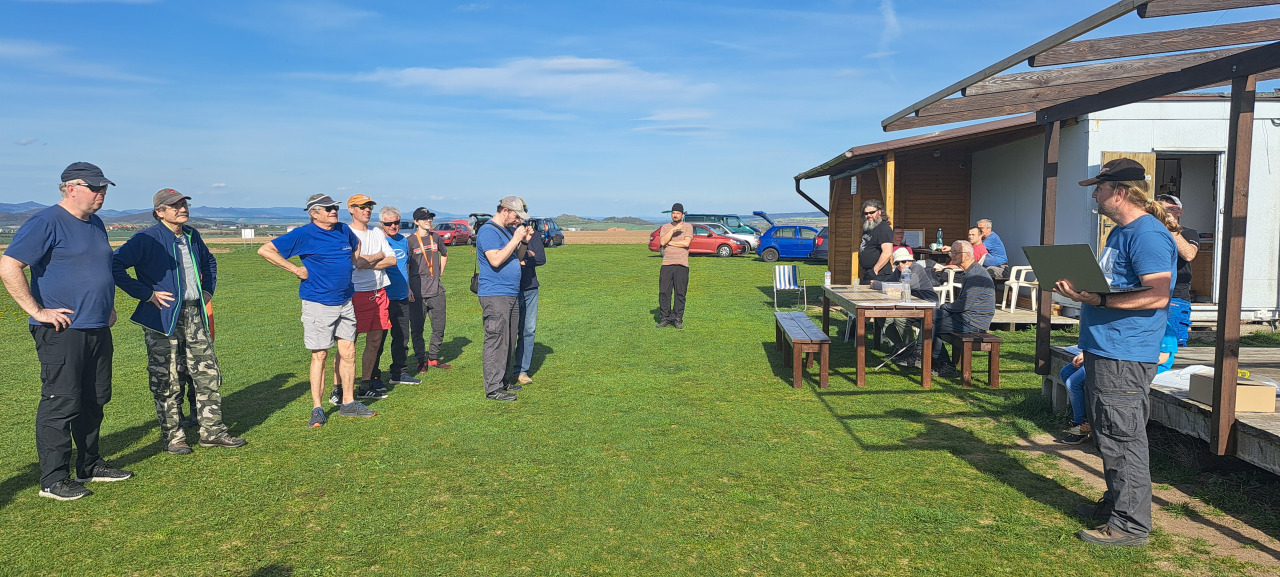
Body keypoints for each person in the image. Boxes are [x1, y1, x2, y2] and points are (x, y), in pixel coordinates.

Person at [1055, 157, 1176, 547]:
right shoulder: (1121, 233)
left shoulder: (1148, 234)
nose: (1095, 196)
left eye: (1100, 188)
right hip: (1105, 347)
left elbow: (1157, 295)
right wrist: (1081, 291)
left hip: (1125, 352)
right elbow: (1115, 285)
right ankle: (1115, 506)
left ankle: (1130, 526)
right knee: (1108, 433)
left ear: (1121, 192)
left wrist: (1098, 300)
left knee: (1122, 437)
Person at [0, 162, 133, 501]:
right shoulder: (46, 222)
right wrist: (37, 310)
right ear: (71, 188)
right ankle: (53, 479)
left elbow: (96, 269)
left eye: (104, 188)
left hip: (97, 326)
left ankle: (90, 465)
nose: (101, 193)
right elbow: (9, 265)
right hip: (63, 330)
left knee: (95, 398)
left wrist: (107, 306)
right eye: (95, 188)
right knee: (62, 401)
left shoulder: (96, 223)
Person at [111, 188, 245, 455]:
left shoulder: (192, 235)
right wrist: (146, 294)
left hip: (195, 314)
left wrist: (208, 291)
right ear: (160, 212)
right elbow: (115, 266)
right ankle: (175, 438)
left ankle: (212, 432)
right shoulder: (146, 238)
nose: (183, 209)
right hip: (162, 318)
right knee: (168, 378)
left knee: (207, 374)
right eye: (175, 205)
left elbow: (209, 262)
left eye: (184, 204)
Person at [258, 193, 376, 426]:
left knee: (349, 352)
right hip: (318, 303)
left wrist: (353, 260)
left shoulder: (343, 230)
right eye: (328, 208)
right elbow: (265, 250)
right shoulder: (303, 234)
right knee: (320, 355)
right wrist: (296, 270)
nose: (334, 211)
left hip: (345, 300)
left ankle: (348, 403)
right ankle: (317, 408)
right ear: (314, 213)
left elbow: (357, 245)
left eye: (335, 208)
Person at [477, 196, 535, 401]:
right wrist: (515, 238)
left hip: (511, 292)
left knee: (509, 340)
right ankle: (493, 388)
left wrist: (524, 241)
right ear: (505, 211)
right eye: (516, 216)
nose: (518, 221)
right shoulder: (488, 231)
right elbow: (495, 260)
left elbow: (515, 258)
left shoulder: (508, 230)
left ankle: (503, 381)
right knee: (496, 339)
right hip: (495, 294)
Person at [342, 194, 398, 401]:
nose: (367, 210)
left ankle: (365, 384)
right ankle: (339, 388)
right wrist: (378, 256)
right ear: (351, 209)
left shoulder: (376, 232)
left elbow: (392, 260)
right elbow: (354, 262)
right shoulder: (346, 233)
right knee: (348, 343)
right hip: (355, 292)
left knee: (375, 340)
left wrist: (367, 261)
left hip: (379, 292)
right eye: (362, 206)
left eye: (369, 207)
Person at [371, 206, 421, 387]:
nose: (393, 226)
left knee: (401, 338)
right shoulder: (377, 241)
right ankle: (373, 376)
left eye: (396, 222)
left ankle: (399, 373)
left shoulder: (403, 241)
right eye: (389, 223)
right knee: (378, 340)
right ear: (381, 224)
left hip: (402, 296)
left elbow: (405, 265)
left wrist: (408, 288)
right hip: (383, 297)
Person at [932, 240, 995, 376]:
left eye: (955, 253)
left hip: (974, 323)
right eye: (951, 252)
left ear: (967, 255)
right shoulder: (971, 271)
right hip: (966, 317)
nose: (952, 256)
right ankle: (930, 358)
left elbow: (963, 305)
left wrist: (944, 306)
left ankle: (943, 364)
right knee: (930, 317)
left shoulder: (975, 275)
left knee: (930, 325)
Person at [870, 248, 938, 366]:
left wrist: (877, 284)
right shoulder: (898, 271)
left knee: (900, 318)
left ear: (910, 261)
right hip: (909, 303)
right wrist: (883, 285)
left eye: (904, 261)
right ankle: (901, 347)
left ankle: (911, 350)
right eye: (897, 262)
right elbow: (889, 283)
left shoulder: (916, 269)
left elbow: (904, 286)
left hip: (927, 303)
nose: (901, 265)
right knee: (880, 315)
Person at [406, 207, 451, 372]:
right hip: (417, 292)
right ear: (416, 222)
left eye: (430, 218)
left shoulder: (436, 237)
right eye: (424, 218)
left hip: (436, 290)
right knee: (417, 329)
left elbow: (445, 254)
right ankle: (420, 360)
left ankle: (433, 358)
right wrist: (408, 288)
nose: (429, 221)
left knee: (439, 327)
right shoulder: (410, 241)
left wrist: (440, 272)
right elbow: (405, 266)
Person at [1156, 194, 1199, 345]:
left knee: (1175, 343)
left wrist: (1170, 226)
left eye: (1169, 209)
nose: (1164, 212)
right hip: (1151, 294)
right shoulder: (1152, 232)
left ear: (1179, 212)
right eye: (1161, 208)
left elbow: (1189, 254)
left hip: (1177, 296)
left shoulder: (1188, 233)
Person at [512, 221, 547, 385]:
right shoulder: (506, 233)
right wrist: (527, 254)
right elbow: (509, 258)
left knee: (528, 330)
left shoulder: (533, 235)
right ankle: (502, 371)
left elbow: (541, 258)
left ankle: (521, 371)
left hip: (530, 288)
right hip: (510, 289)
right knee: (509, 331)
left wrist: (524, 261)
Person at [656, 203, 693, 329]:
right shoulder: (665, 227)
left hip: (682, 264)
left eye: (678, 213)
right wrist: (672, 231)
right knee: (664, 292)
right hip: (667, 264)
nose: (675, 215)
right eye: (673, 213)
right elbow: (662, 242)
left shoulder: (688, 227)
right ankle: (665, 318)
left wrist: (670, 243)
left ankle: (677, 319)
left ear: (682, 215)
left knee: (680, 293)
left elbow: (686, 243)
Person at [859, 200, 894, 284]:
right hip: (869, 272)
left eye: (872, 212)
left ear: (879, 212)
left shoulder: (883, 228)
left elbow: (887, 252)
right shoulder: (868, 228)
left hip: (880, 274)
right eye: (866, 213)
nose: (869, 215)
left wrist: (875, 270)